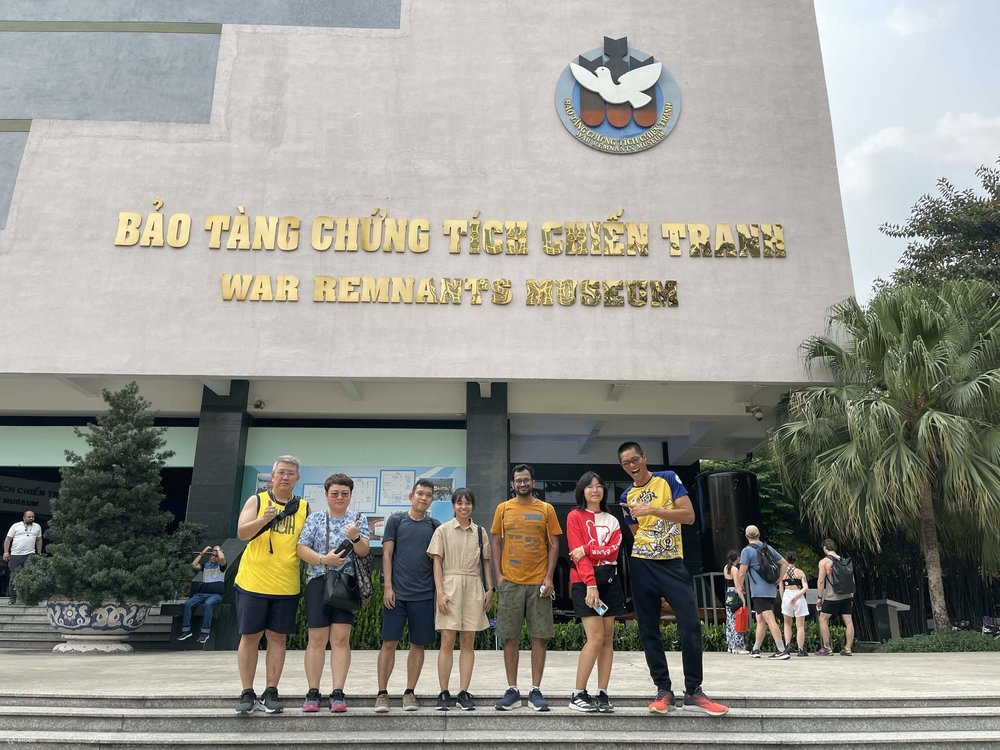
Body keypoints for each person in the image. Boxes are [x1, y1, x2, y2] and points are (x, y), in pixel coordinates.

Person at [617, 441, 728, 716]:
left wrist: (653, 510)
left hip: (672, 563)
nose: (632, 466)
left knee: (690, 625)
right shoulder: (626, 495)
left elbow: (688, 516)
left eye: (635, 460)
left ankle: (694, 691)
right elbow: (636, 533)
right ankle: (663, 690)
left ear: (644, 457)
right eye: (626, 463)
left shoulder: (667, 479)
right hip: (643, 564)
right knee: (648, 629)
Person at [232, 455, 310, 715]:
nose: (285, 477)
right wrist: (263, 520)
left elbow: (307, 543)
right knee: (250, 637)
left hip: (286, 584)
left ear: (297, 479)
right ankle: (247, 692)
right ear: (272, 476)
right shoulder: (257, 500)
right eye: (281, 473)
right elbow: (242, 533)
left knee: (278, 638)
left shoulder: (304, 507)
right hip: (253, 581)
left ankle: (271, 690)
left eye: (290, 473)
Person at [296, 473, 371, 713]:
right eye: (335, 493)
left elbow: (364, 550)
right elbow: (300, 548)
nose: (339, 497)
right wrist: (322, 559)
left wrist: (355, 536)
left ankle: (338, 692)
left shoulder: (358, 519)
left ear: (351, 495)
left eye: (344, 493)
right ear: (326, 494)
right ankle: (313, 692)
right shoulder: (316, 518)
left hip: (346, 584)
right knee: (316, 639)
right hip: (318, 581)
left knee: (340, 639)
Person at [491, 464, 562, 712]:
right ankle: (512, 690)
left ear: (533, 482)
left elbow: (554, 544)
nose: (522, 484)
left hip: (538, 583)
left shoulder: (546, 509)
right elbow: (496, 541)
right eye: (518, 480)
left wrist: (549, 577)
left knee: (538, 637)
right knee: (510, 637)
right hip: (511, 583)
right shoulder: (503, 509)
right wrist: (498, 576)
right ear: (512, 484)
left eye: (526, 480)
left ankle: (535, 690)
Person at [375, 478, 441, 713]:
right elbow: (387, 555)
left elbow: (438, 563)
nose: (423, 498)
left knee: (418, 644)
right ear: (411, 495)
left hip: (423, 596)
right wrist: (388, 587)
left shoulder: (434, 525)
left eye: (428, 495)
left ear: (432, 499)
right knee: (389, 643)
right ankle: (382, 693)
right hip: (397, 595)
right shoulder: (396, 520)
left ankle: (409, 692)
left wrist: (438, 595)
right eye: (420, 493)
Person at [426, 487, 493, 711]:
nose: (463, 507)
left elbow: (485, 563)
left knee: (468, 642)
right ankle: (444, 692)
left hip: (474, 587)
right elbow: (437, 562)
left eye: (467, 503)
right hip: (450, 586)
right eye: (459, 503)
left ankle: (463, 692)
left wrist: (490, 589)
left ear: (472, 505)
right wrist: (440, 593)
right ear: (453, 506)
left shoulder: (480, 532)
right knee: (446, 641)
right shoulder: (443, 531)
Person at [565, 471, 625, 713]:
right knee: (596, 638)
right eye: (589, 486)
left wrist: (588, 548)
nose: (595, 490)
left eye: (599, 486)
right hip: (585, 582)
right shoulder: (574, 517)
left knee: (608, 639)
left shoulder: (612, 520)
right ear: (582, 491)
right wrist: (590, 584)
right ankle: (578, 693)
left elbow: (613, 552)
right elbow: (577, 556)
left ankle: (602, 693)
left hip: (611, 581)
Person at [736, 525, 790, 660]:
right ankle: (756, 648)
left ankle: (782, 650)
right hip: (771, 590)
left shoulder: (746, 551)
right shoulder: (768, 548)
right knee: (760, 619)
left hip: (759, 591)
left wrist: (739, 587)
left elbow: (742, 572)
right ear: (759, 534)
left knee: (769, 619)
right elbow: (784, 563)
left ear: (747, 536)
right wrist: (779, 580)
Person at [178, 544, 227, 644]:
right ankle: (186, 631)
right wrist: (202, 553)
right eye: (213, 555)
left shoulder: (221, 567)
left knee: (208, 604)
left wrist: (217, 549)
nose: (214, 557)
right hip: (202, 594)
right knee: (188, 604)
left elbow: (222, 558)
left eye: (216, 555)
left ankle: (205, 632)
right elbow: (194, 565)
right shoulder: (206, 566)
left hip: (216, 595)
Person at [816, 538, 855, 656]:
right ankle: (848, 648)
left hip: (833, 595)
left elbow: (821, 581)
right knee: (848, 621)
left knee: (823, 618)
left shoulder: (824, 562)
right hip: (847, 594)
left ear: (824, 548)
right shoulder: (843, 560)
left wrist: (819, 597)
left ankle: (827, 648)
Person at [3, 510, 43, 605]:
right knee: (14, 577)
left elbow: (39, 540)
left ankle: (29, 599)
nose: (31, 518)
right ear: (24, 518)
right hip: (15, 555)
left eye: (33, 516)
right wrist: (6, 552)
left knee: (29, 575)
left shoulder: (37, 527)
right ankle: (13, 599)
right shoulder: (16, 526)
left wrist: (39, 553)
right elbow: (8, 539)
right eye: (29, 517)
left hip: (30, 554)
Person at [779, 551, 809, 657]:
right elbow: (805, 588)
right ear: (796, 560)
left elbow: (781, 588)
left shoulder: (782, 573)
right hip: (798, 595)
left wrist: (784, 599)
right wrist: (796, 596)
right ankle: (800, 649)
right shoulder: (800, 572)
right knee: (800, 625)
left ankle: (787, 646)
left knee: (787, 623)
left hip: (787, 595)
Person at [723, 550, 748, 654]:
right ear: (737, 558)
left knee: (730, 620)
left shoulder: (726, 567)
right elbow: (738, 586)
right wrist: (743, 600)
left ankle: (730, 645)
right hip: (735, 594)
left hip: (728, 594)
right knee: (737, 620)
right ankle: (737, 645)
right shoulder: (735, 570)